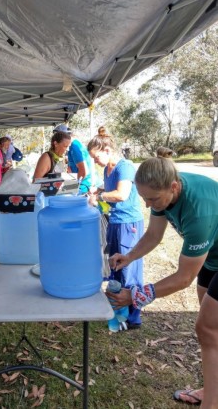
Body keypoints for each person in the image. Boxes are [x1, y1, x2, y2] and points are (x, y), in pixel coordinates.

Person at [108, 157, 218, 407]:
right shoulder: (161, 190)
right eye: (144, 199)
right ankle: (213, 390)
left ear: (174, 188)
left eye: (153, 200)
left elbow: (183, 278)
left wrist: (135, 296)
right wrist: (129, 256)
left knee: (207, 328)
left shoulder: (199, 210)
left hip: (211, 253)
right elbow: (154, 235)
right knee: (214, 333)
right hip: (212, 258)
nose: (148, 206)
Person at [87, 133, 144, 329]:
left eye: (96, 157)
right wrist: (98, 190)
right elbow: (110, 188)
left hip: (129, 223)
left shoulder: (124, 167)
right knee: (116, 265)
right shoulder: (108, 169)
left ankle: (133, 317)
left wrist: (101, 196)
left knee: (129, 270)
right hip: (115, 221)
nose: (95, 162)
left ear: (107, 150)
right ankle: (119, 311)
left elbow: (121, 194)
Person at [54, 124, 93, 194]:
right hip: (79, 183)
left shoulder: (75, 146)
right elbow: (70, 169)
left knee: (58, 193)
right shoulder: (70, 147)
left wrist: (71, 185)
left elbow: (84, 172)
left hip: (84, 185)